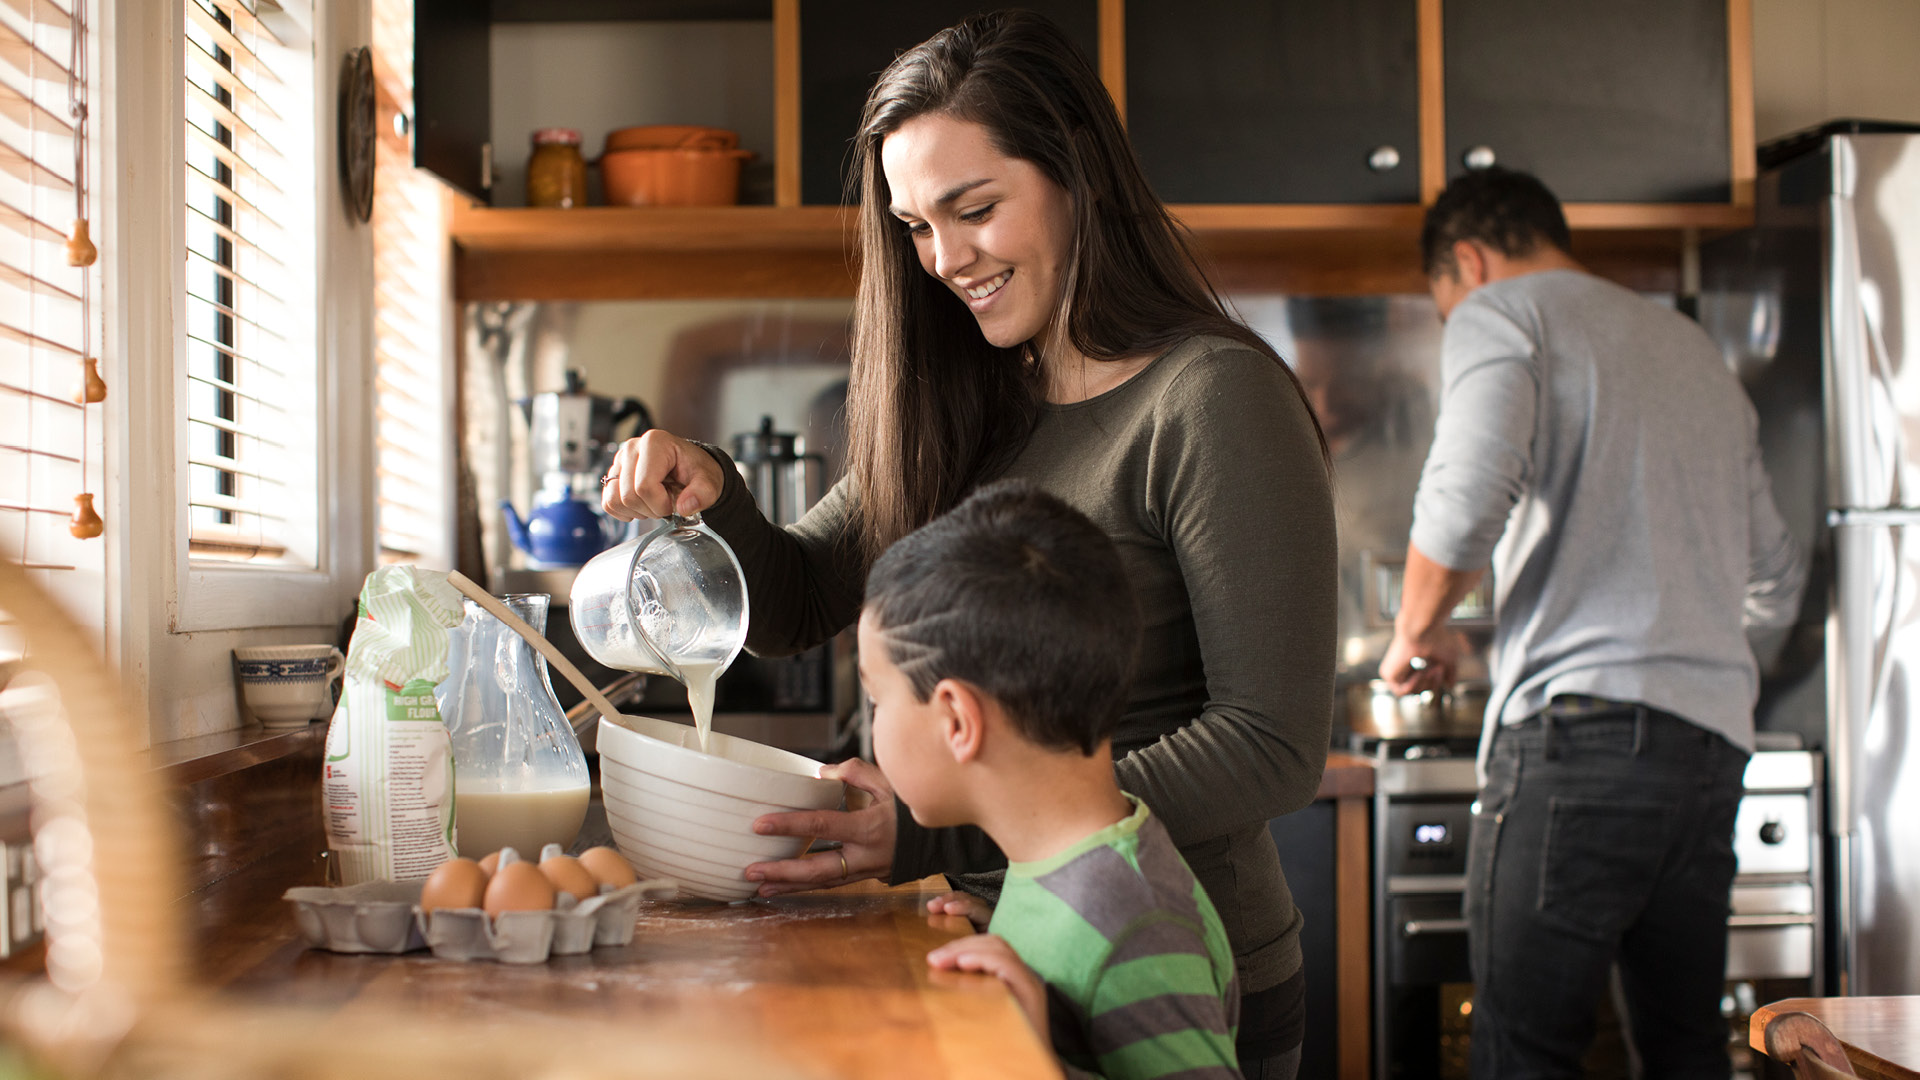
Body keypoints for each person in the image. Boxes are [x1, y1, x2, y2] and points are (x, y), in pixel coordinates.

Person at [601, 11, 1334, 1076]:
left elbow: (1272, 745)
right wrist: (715, 493)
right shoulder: (974, 396)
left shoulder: (1212, 401)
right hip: (999, 944)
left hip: (1164, 972)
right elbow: (800, 600)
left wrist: (938, 826)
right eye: (914, 226)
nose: (944, 260)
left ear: (1078, 175)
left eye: (975, 209)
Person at [1380, 167, 1807, 1079]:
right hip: (1709, 759)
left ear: (1468, 258)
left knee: (1525, 1056)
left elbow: (1463, 507)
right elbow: (1773, 579)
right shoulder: (1691, 348)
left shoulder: (1505, 312)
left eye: (1448, 304)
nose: (1460, 320)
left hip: (1576, 755)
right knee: (1688, 1051)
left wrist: (1411, 635)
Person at [863, 481, 1239, 1079]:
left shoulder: (1136, 925)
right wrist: (1019, 938)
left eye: (876, 697)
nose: (873, 725)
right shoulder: (1058, 866)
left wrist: (1038, 1060)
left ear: (958, 720)